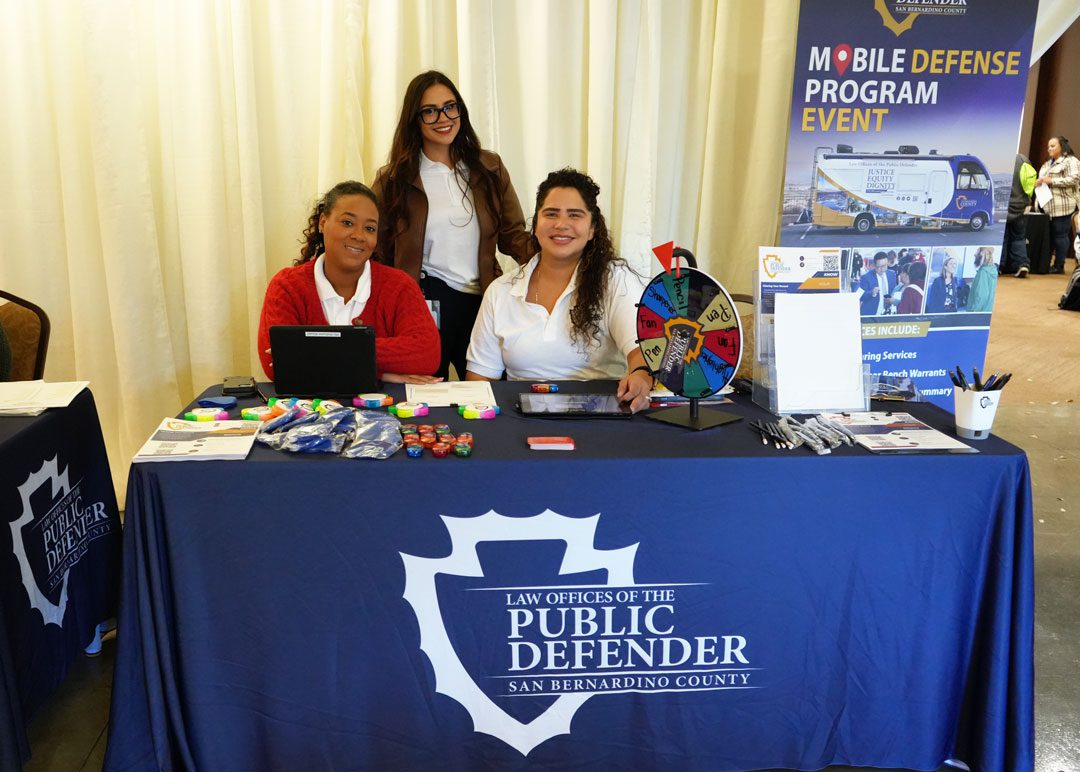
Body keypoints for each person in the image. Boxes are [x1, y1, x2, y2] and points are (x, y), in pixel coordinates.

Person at [372, 71, 535, 380]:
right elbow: (377, 250)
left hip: (482, 299)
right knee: (425, 390)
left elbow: (513, 236)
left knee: (487, 393)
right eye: (430, 111)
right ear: (414, 119)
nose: (443, 118)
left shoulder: (489, 168)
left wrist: (562, 261)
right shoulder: (394, 179)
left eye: (450, 107)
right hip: (424, 302)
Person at [464, 168, 652, 412]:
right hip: (520, 419)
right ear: (536, 225)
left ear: (592, 229)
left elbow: (641, 351)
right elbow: (479, 379)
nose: (561, 224)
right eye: (551, 214)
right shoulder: (500, 290)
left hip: (601, 417)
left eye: (575, 215)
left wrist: (641, 375)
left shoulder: (616, 280)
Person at [257, 181, 440, 382]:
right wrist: (382, 374)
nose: (359, 236)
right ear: (322, 222)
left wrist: (314, 351)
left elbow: (427, 355)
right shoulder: (286, 286)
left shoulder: (400, 286)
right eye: (347, 223)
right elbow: (276, 366)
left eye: (369, 228)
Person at [1035, 136, 1080, 274]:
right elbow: (1044, 180)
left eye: (1053, 146)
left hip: (1063, 206)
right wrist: (1039, 182)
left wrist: (1052, 181)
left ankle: (1059, 265)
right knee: (1048, 237)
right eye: (1048, 146)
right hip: (1046, 207)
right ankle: (1045, 264)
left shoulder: (1071, 161)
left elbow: (1074, 179)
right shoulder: (1047, 164)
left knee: (1060, 236)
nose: (1049, 149)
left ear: (1062, 146)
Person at [1003, 153, 1037, 277]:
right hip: (1022, 205)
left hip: (1005, 205)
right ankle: (1022, 264)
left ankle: (1000, 266)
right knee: (1019, 237)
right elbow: (1030, 183)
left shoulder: (1003, 159)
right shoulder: (1023, 159)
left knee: (1003, 237)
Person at [857, 251, 898, 315]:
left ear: (887, 263)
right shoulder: (866, 277)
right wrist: (872, 293)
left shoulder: (892, 274)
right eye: (879, 267)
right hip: (871, 315)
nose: (882, 269)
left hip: (887, 313)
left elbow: (894, 291)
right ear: (874, 265)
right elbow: (859, 296)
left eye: (884, 266)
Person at [967, 246, 998, 312]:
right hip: (987, 310)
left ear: (982, 255)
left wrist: (974, 311)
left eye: (977, 253)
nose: (974, 255)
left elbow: (981, 295)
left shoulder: (982, 272)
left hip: (978, 312)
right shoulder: (992, 270)